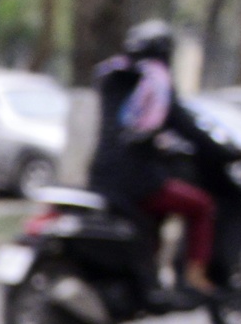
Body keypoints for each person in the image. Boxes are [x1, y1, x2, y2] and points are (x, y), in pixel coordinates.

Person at [91, 19, 218, 296]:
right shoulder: (155, 82)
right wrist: (220, 152)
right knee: (202, 205)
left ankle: (150, 274)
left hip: (98, 177)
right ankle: (194, 276)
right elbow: (185, 127)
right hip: (136, 182)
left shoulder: (110, 75)